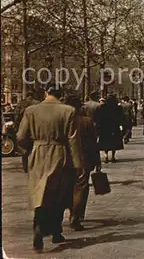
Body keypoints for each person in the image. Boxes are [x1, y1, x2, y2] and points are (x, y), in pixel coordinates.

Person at [16, 86, 84, 251]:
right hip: (60, 154)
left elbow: (20, 136)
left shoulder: (31, 111)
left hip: (38, 154)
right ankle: (56, 231)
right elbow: (73, 139)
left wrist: (27, 152)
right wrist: (78, 164)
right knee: (59, 195)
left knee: (40, 194)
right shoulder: (68, 111)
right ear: (60, 96)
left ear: (46, 94)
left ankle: (38, 227)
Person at [64, 95, 101, 231]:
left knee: (66, 186)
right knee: (81, 187)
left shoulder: (63, 121)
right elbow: (93, 143)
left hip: (65, 158)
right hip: (84, 158)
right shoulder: (87, 121)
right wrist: (97, 161)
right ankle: (76, 216)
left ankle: (66, 211)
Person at [95, 95, 126, 163]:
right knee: (114, 142)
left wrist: (98, 128)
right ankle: (113, 156)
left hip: (104, 128)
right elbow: (121, 118)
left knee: (105, 142)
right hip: (114, 128)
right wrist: (121, 126)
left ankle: (106, 156)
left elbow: (98, 118)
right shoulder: (118, 108)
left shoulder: (102, 107)